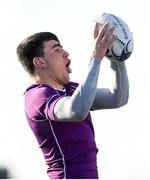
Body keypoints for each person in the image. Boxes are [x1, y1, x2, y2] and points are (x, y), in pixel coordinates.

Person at [16, 21, 129, 179]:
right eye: (57, 49)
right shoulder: (37, 95)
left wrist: (118, 59)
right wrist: (95, 58)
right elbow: (76, 110)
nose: (66, 53)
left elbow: (117, 98)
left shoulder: (71, 89)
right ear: (39, 62)